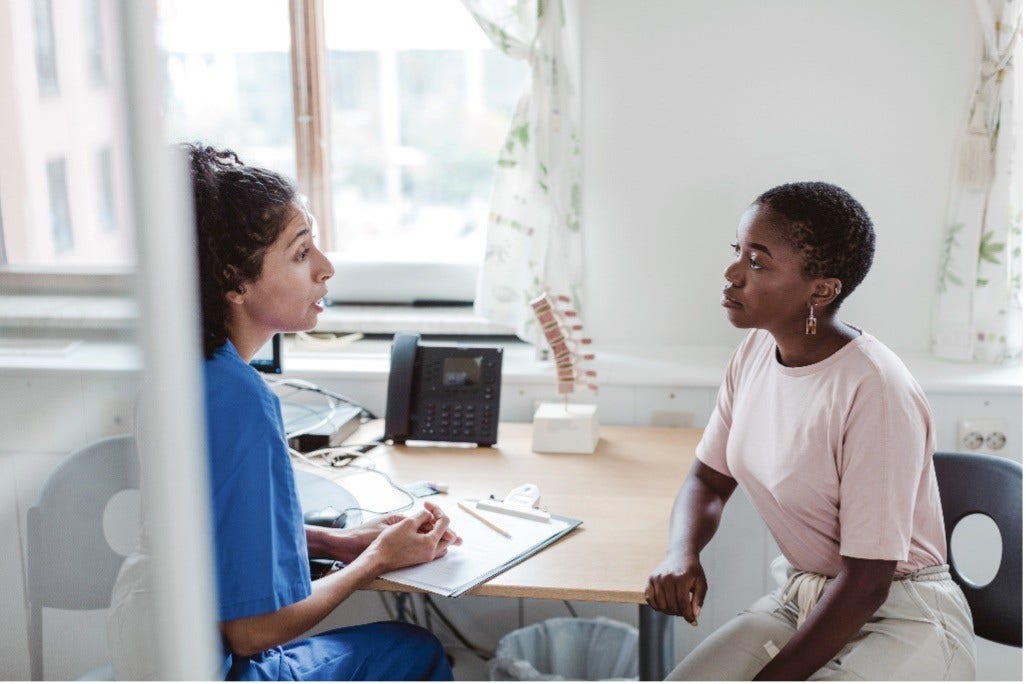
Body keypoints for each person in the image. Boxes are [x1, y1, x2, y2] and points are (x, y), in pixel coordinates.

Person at [111, 143, 461, 681]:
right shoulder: (243, 403)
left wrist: (336, 544)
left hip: (147, 651)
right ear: (233, 281)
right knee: (413, 650)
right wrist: (376, 561)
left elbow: (210, 535)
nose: (326, 267)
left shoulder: (177, 373)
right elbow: (253, 632)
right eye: (301, 253)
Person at [646, 182, 976, 681]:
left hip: (902, 613)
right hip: (805, 597)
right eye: (738, 252)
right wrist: (682, 552)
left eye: (758, 262)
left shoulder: (875, 391)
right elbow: (708, 481)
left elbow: (868, 582)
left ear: (821, 289)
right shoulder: (756, 353)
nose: (732, 273)